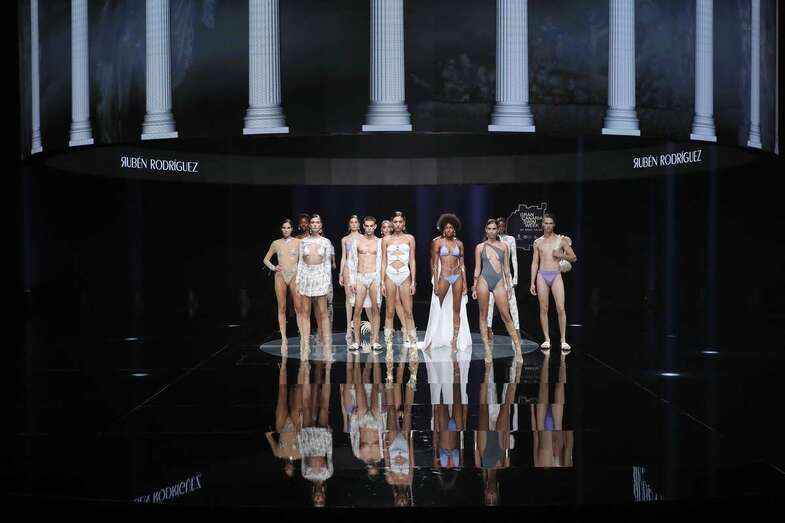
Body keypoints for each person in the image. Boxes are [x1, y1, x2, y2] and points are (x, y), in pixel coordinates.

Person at [472, 219, 523, 362]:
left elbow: (506, 268)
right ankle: (487, 350)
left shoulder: (504, 246)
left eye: (494, 228)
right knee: (483, 315)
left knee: (506, 315)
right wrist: (474, 286)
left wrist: (509, 286)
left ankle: (518, 349)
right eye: (489, 228)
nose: (492, 231)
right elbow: (477, 268)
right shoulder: (480, 247)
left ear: (497, 230)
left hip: (499, 281)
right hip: (483, 280)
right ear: (486, 230)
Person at [423, 214, 472, 353]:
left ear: (454, 229)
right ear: (443, 229)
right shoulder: (438, 243)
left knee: (456, 309)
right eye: (446, 228)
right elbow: (434, 265)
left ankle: (454, 340)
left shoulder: (459, 244)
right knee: (437, 306)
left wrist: (465, 284)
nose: (449, 230)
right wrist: (435, 283)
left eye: (451, 227)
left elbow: (462, 265)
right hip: (444, 276)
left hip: (457, 276)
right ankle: (432, 338)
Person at [530, 212, 577, 351]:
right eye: (546, 223)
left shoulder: (561, 240)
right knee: (544, 308)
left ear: (554, 225)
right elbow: (535, 262)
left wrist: (561, 255)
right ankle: (546, 339)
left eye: (551, 223)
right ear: (542, 224)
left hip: (556, 274)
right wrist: (532, 282)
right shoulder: (537, 242)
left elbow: (574, 257)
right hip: (541, 275)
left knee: (560, 308)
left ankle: (563, 340)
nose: (548, 226)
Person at [296, 215, 334, 356]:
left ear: (321, 225)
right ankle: (305, 344)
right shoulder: (303, 242)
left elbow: (327, 264)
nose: (315, 224)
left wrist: (328, 283)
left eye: (317, 222)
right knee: (305, 312)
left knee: (323, 312)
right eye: (312, 222)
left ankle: (327, 343)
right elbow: (300, 263)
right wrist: (298, 281)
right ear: (310, 225)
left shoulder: (326, 242)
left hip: (320, 277)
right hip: (306, 277)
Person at [381, 212, 418, 351]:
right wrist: (382, 282)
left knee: (408, 311)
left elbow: (412, 260)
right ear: (392, 223)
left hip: (404, 274)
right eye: (395, 222)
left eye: (400, 222)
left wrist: (413, 281)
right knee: (389, 310)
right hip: (390, 274)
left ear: (404, 223)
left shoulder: (410, 238)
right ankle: (388, 344)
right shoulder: (386, 239)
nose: (397, 224)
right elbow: (384, 262)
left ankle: (412, 343)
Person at [262, 219, 302, 347]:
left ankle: (302, 334)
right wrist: (274, 267)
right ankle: (284, 337)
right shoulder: (276, 243)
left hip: (295, 275)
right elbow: (266, 259)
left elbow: (303, 259)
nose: (286, 230)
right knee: (282, 307)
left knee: (298, 308)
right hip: (280, 276)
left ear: (292, 229)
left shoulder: (298, 242)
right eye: (284, 228)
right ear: (281, 229)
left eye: (288, 227)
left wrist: (300, 270)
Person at [349, 216, 383, 351]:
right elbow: (351, 261)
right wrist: (352, 281)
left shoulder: (379, 242)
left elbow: (383, 262)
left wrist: (382, 281)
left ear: (375, 227)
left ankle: (375, 341)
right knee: (357, 309)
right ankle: (356, 341)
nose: (369, 228)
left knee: (375, 308)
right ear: (363, 226)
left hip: (374, 276)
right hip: (360, 276)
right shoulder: (357, 241)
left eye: (371, 226)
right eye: (367, 226)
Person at [487, 217, 520, 340]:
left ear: (505, 226)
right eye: (498, 226)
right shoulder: (490, 241)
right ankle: (489, 329)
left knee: (512, 302)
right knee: (490, 302)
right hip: (492, 275)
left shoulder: (510, 239)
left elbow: (514, 259)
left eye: (502, 225)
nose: (501, 228)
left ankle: (517, 329)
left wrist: (515, 276)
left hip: (506, 275)